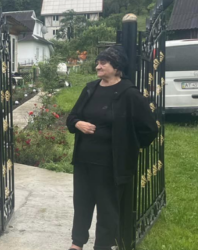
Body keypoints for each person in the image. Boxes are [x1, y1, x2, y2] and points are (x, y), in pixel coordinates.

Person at [66, 46, 158, 250]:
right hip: (83, 160)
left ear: (116, 67)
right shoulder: (91, 88)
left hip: (110, 165)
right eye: (97, 62)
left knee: (107, 209)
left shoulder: (129, 94)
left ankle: (103, 246)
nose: (98, 66)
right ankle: (77, 243)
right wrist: (78, 124)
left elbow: (149, 129)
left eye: (103, 63)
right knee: (82, 204)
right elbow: (72, 117)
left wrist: (129, 146)